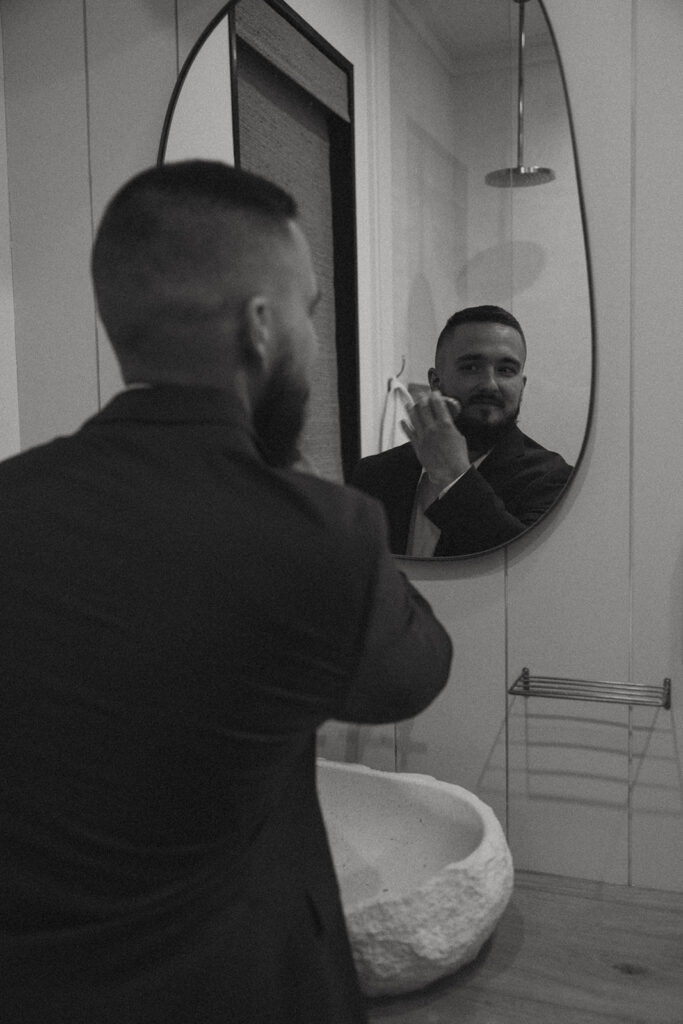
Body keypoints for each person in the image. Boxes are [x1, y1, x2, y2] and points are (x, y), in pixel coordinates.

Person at [0, 161, 452, 1024]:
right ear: (259, 328)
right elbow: (410, 675)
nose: (312, 343)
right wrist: (317, 500)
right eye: (309, 313)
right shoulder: (320, 531)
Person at [351, 305, 573, 557]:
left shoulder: (553, 479)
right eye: (471, 367)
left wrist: (454, 476)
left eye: (506, 370)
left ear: (521, 385)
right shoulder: (374, 475)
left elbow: (523, 574)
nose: (490, 384)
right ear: (435, 381)